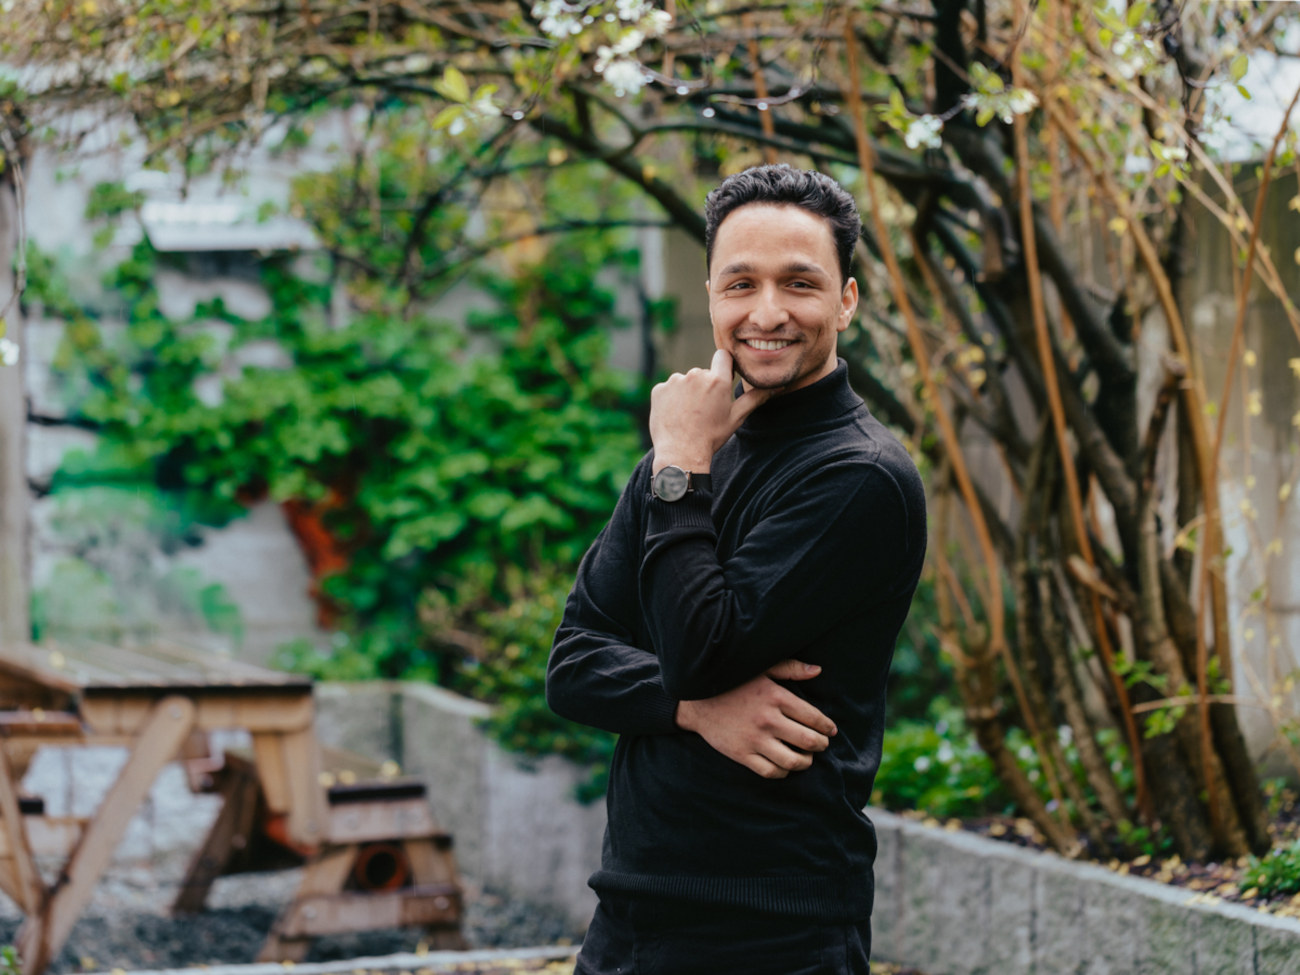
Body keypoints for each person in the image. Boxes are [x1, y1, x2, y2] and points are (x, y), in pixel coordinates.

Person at [546, 164, 927, 975]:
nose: (766, 312)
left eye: (800, 283)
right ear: (713, 294)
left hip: (771, 933)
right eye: (740, 283)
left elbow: (701, 651)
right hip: (632, 918)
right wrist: (692, 711)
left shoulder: (857, 476)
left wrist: (679, 461)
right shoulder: (692, 447)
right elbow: (573, 663)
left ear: (847, 301)